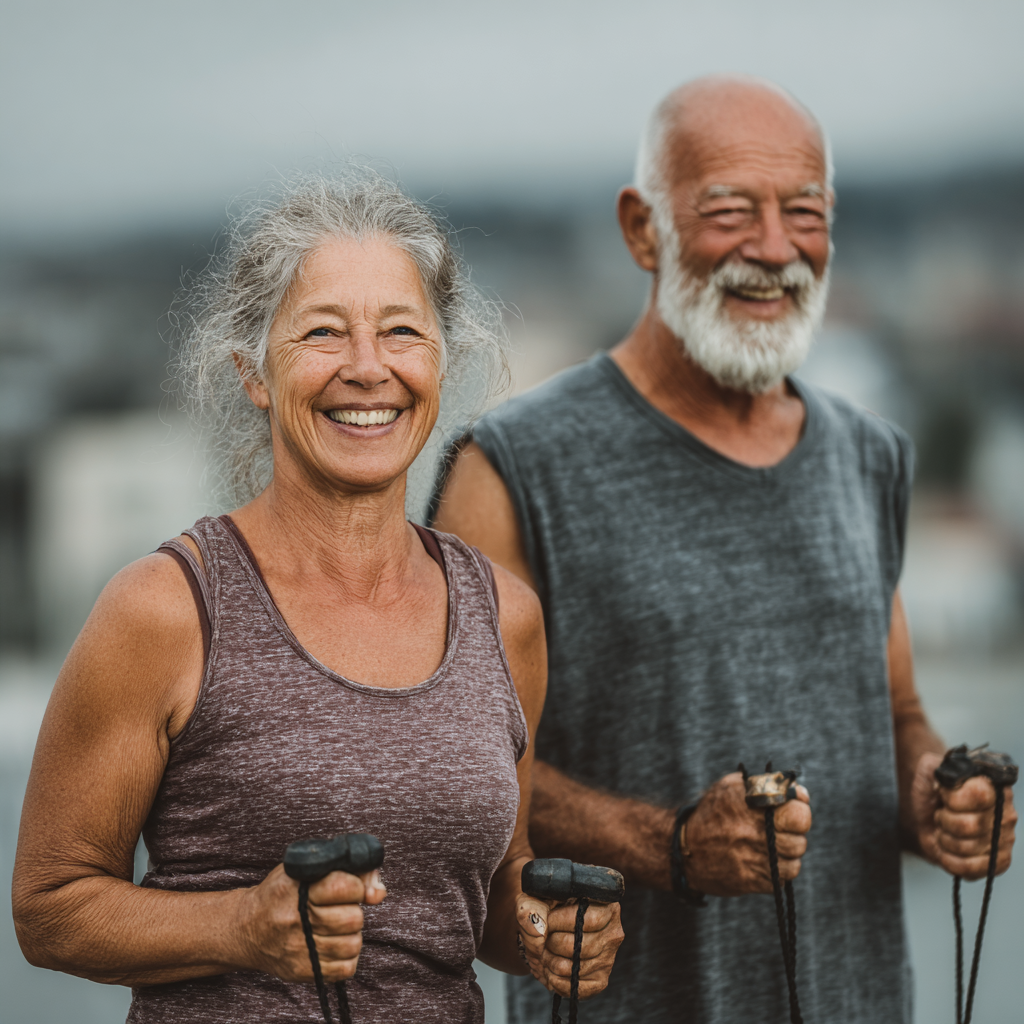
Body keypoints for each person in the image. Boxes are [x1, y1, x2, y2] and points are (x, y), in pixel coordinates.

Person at [434, 76, 1017, 1024]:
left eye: (806, 213)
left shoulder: (870, 457)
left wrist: (934, 799)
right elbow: (463, 776)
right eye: (731, 211)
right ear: (642, 229)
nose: (776, 248)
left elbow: (897, 714)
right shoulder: (510, 470)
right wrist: (670, 845)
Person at [12, 173, 623, 1024]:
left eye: (401, 332)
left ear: (441, 362)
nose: (368, 368)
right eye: (323, 333)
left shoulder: (504, 617)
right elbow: (50, 908)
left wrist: (547, 931)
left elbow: (484, 898)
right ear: (253, 373)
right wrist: (241, 927)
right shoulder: (167, 608)